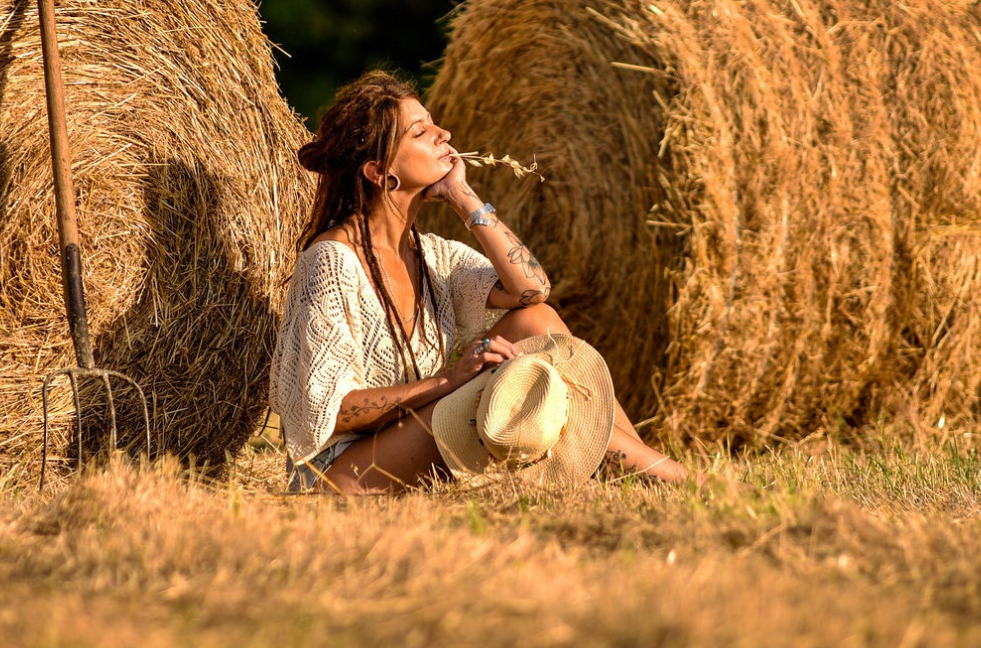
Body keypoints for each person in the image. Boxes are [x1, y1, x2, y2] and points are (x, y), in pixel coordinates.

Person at [270, 70, 690, 495]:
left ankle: (649, 470)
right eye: (421, 132)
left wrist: (462, 196)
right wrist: (451, 380)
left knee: (536, 321)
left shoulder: (433, 256)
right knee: (494, 384)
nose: (444, 133)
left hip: (408, 439)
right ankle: (677, 480)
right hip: (341, 473)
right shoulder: (331, 262)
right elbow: (334, 411)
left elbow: (532, 289)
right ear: (380, 172)